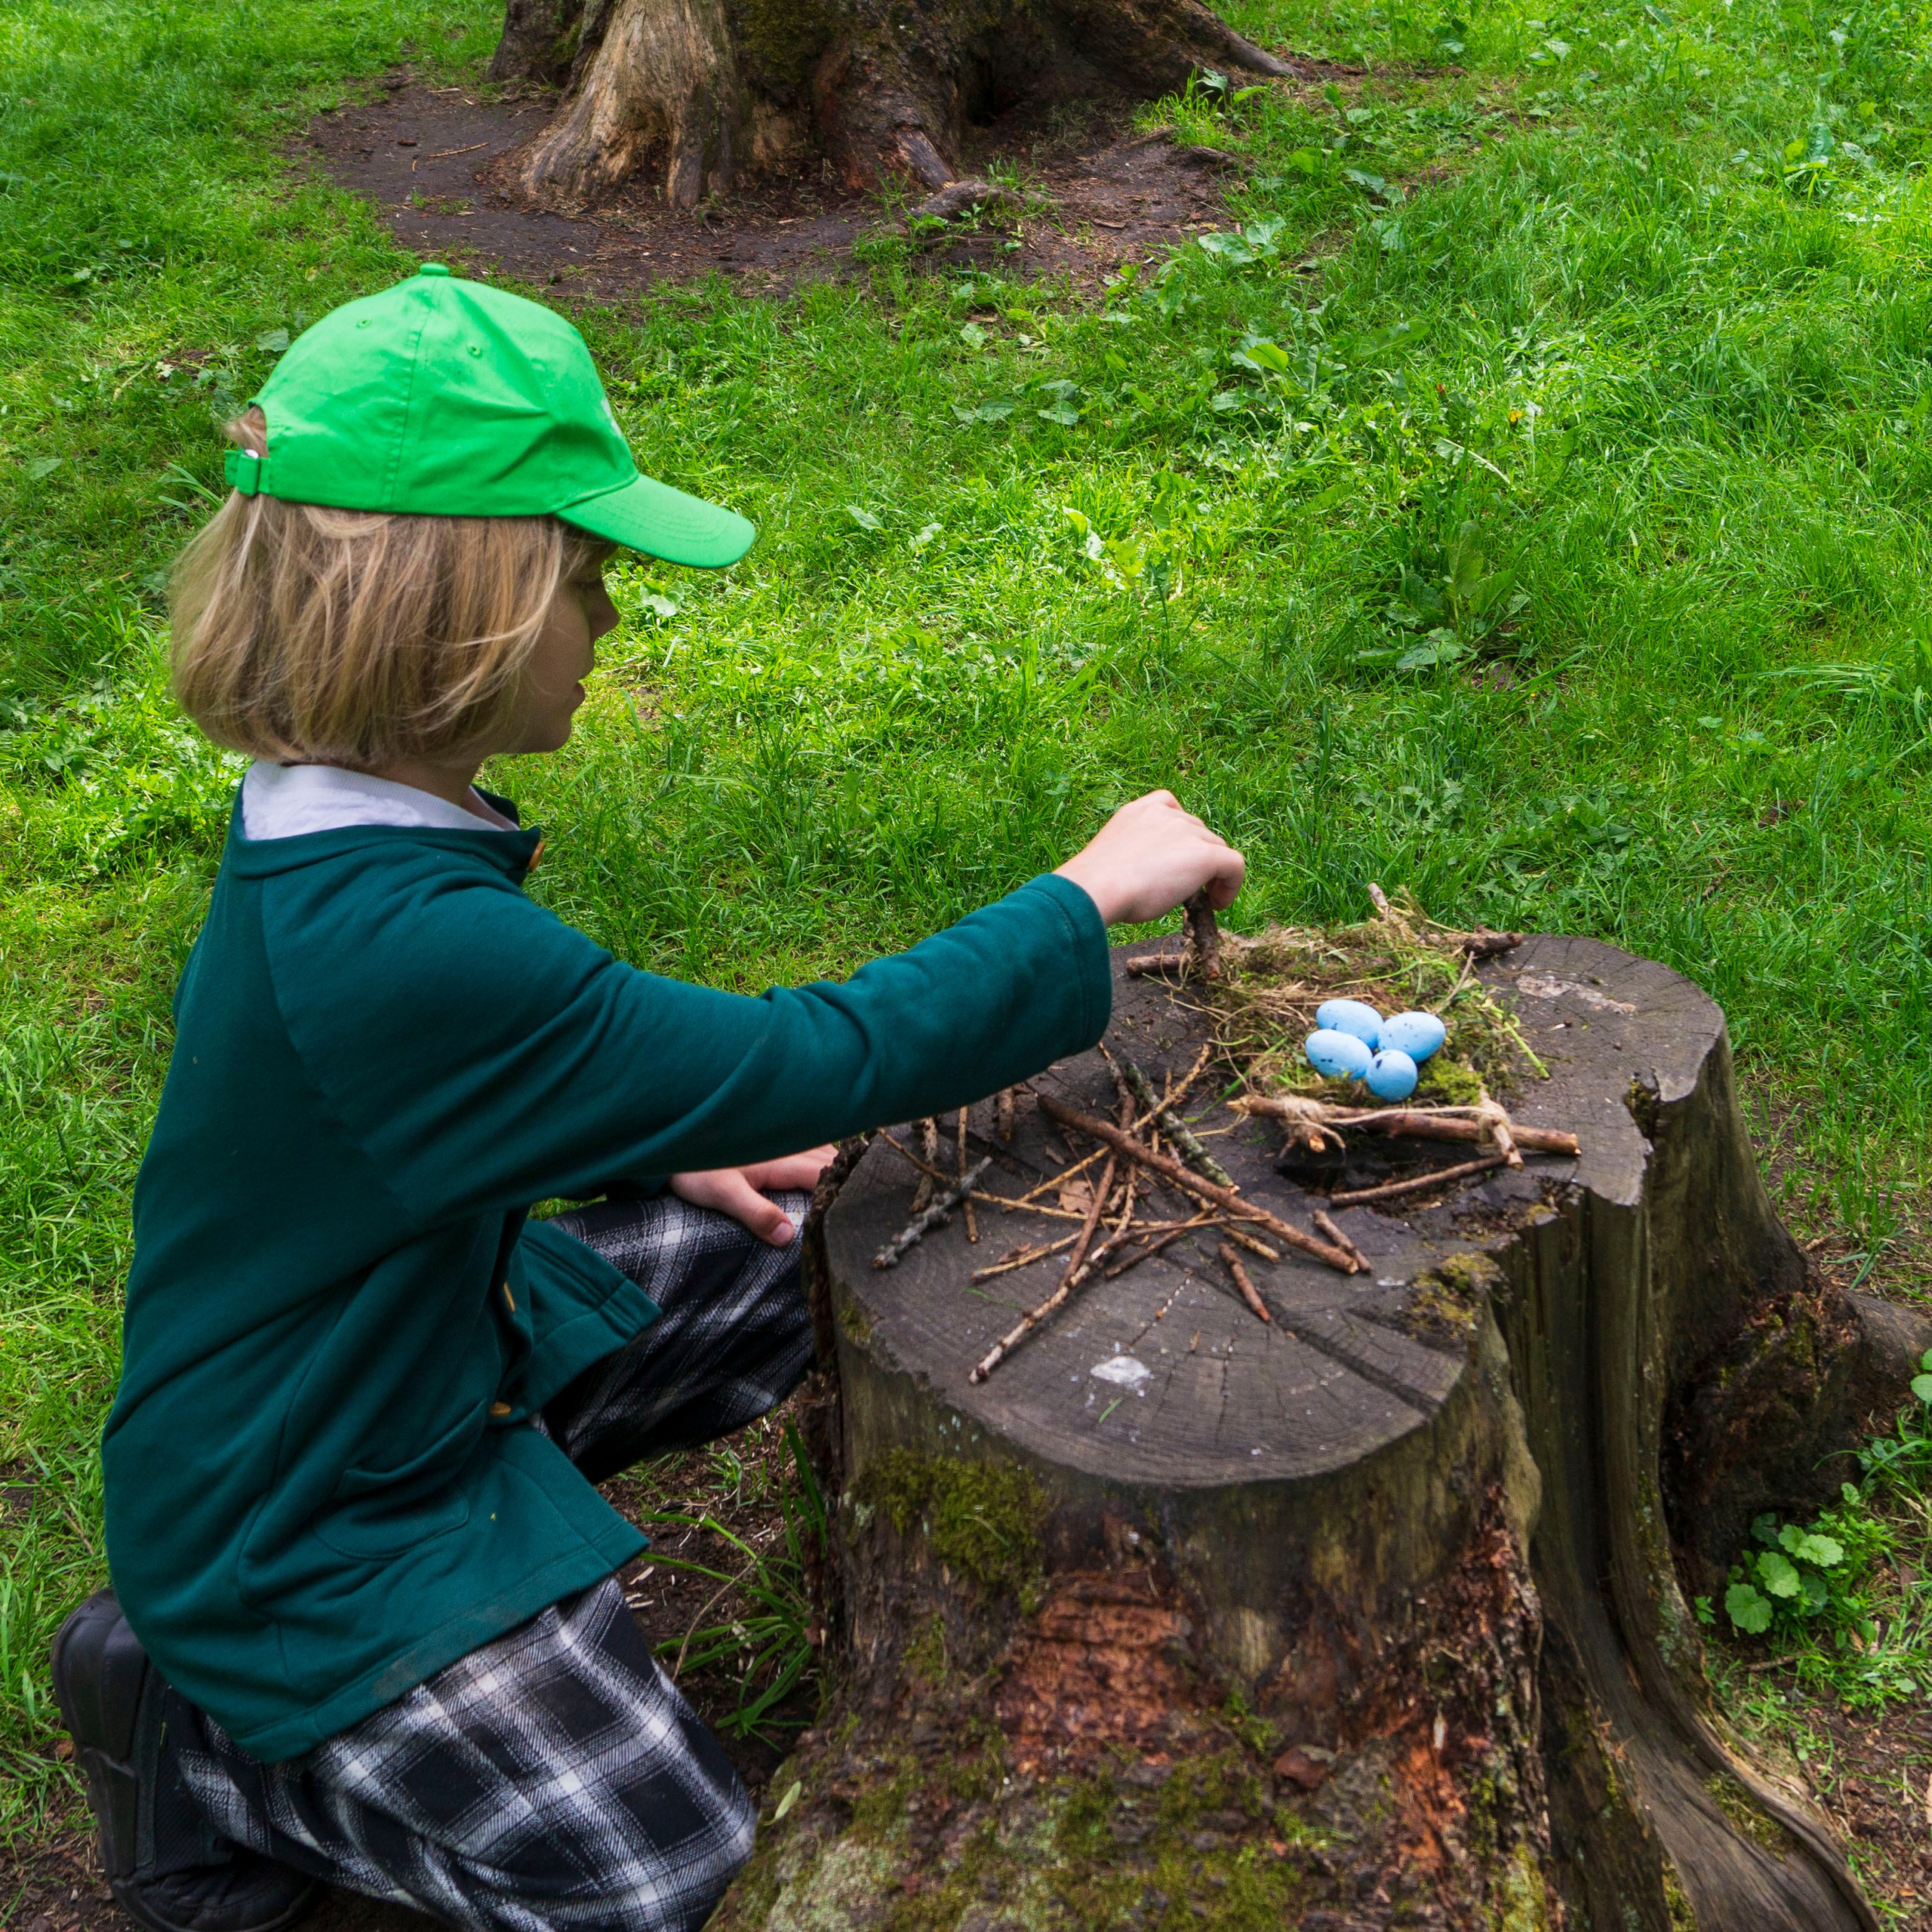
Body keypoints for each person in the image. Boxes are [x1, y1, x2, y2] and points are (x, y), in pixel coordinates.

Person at [51, 264, 1244, 1932]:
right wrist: (1081, 895)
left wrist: (647, 1124)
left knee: (803, 1241)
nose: (611, 616)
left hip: (409, 1364)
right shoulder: (396, 937)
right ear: (455, 610)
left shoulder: (336, 817)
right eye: (584, 575)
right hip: (310, 1527)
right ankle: (221, 1749)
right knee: (668, 1878)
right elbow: (811, 1056)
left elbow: (415, 1108)